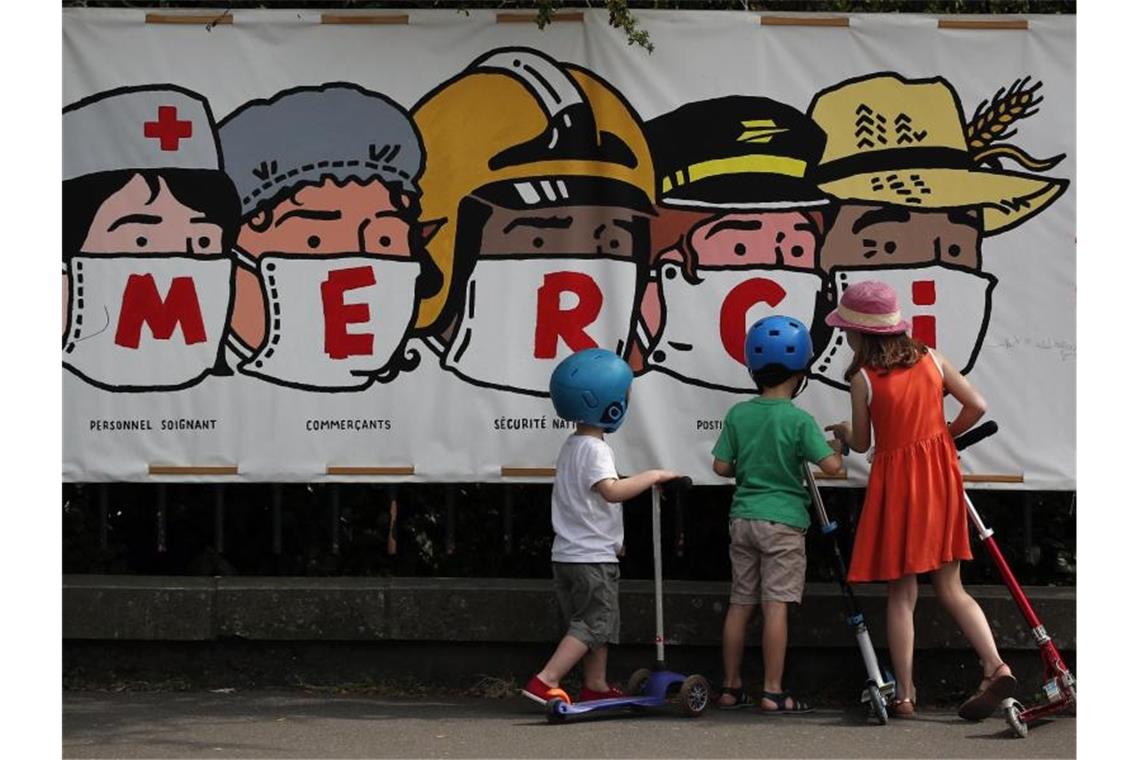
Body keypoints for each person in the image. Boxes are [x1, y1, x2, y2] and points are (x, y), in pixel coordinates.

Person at [824, 280, 1016, 721]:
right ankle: (995, 664)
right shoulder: (931, 358)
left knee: (902, 593)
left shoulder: (863, 378)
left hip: (897, 486)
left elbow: (863, 440)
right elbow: (977, 406)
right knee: (951, 586)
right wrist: (940, 440)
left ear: (860, 334)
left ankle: (906, 695)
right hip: (941, 479)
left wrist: (841, 431)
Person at [522, 348, 678, 705]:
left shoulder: (571, 447)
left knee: (596, 625)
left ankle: (596, 683)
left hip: (569, 554)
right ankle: (545, 680)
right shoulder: (596, 450)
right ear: (611, 406)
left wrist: (614, 540)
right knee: (594, 624)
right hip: (590, 559)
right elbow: (611, 492)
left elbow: (583, 504)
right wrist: (652, 475)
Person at [711, 316, 843, 713]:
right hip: (784, 523)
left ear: (753, 368)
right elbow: (832, 468)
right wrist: (839, 445)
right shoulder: (800, 421)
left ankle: (731, 687)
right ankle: (772, 690)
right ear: (802, 372)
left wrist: (747, 467)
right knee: (775, 606)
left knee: (740, 603)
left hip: (743, 519)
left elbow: (720, 467)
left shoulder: (738, 415)